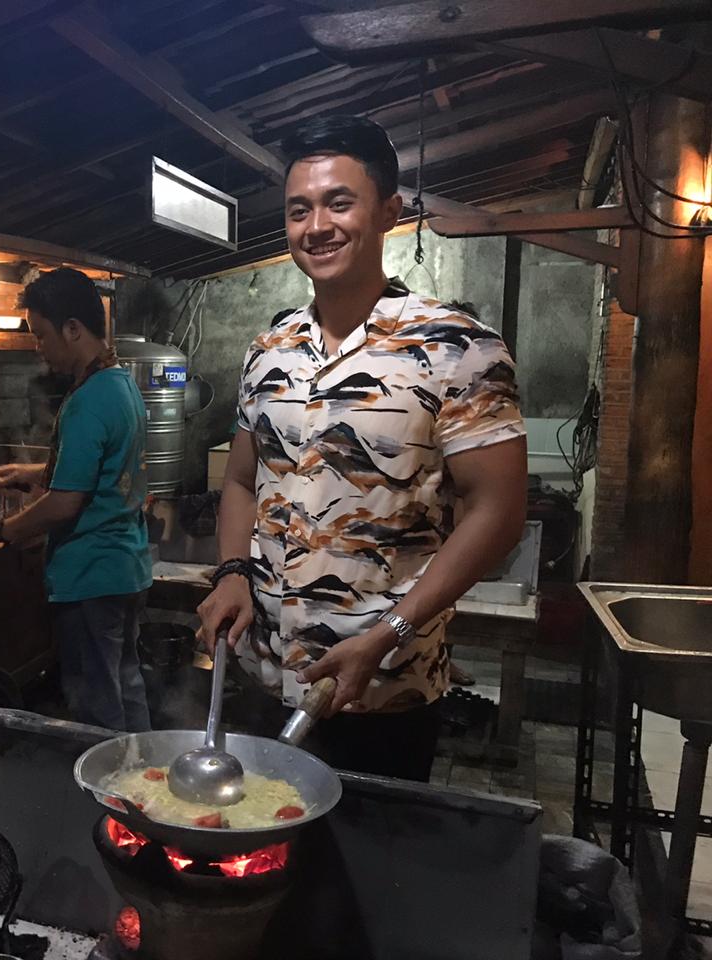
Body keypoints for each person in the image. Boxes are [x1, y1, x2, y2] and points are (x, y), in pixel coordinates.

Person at [196, 115, 527, 781]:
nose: (316, 225)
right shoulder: (269, 350)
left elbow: (498, 512)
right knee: (264, 852)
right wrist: (232, 572)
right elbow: (239, 480)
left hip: (384, 688)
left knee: (368, 876)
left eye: (338, 202)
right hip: (267, 674)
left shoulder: (457, 346)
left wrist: (386, 637)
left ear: (388, 212)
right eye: (298, 210)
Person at [0, 268, 152, 732]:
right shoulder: (120, 385)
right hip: (126, 568)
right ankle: (144, 784)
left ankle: (109, 799)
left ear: (73, 329)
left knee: (97, 709)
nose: (38, 347)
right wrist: (35, 473)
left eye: (41, 335)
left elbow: (65, 504)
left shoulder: (88, 400)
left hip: (90, 576)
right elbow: (105, 470)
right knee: (126, 688)